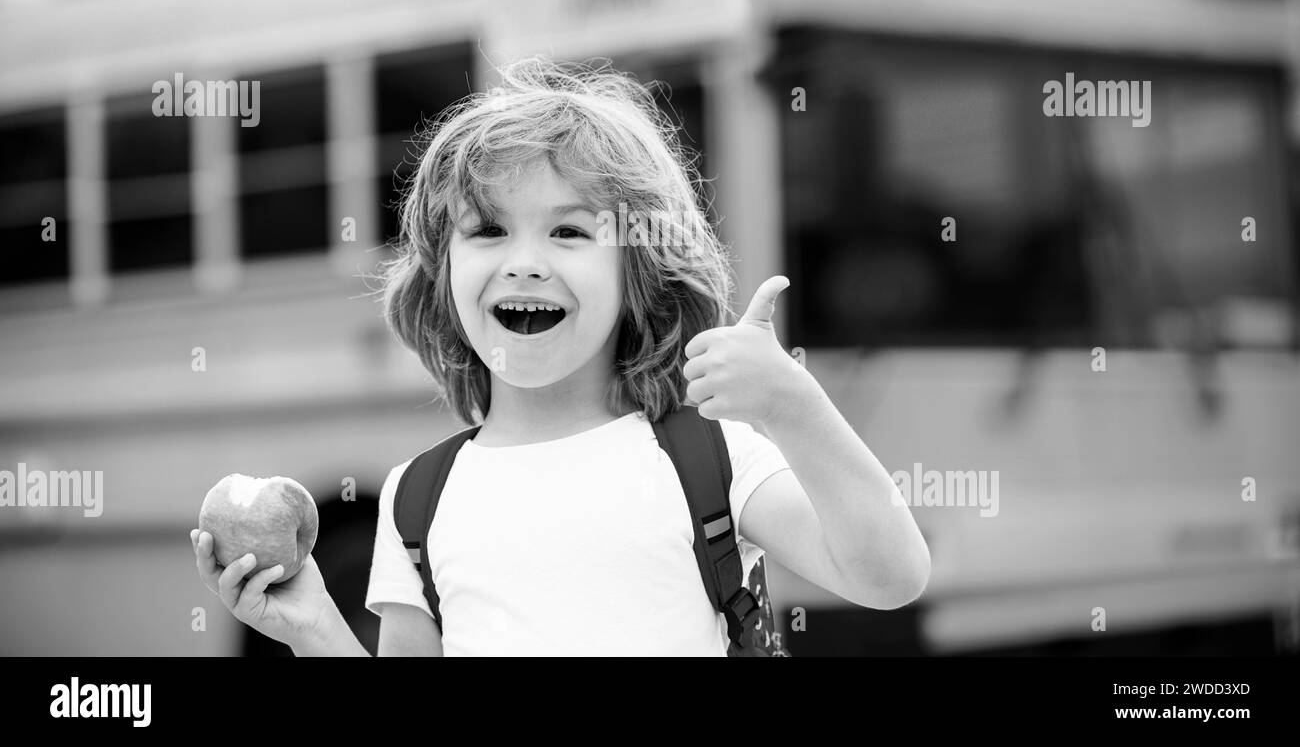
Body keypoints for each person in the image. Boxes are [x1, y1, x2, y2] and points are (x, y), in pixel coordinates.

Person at [191, 57, 931, 656]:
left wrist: (792, 404)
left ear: (638, 273)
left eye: (570, 233)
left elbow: (890, 575)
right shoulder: (418, 497)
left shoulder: (710, 459)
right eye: (487, 230)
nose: (524, 262)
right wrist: (316, 627)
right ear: (442, 277)